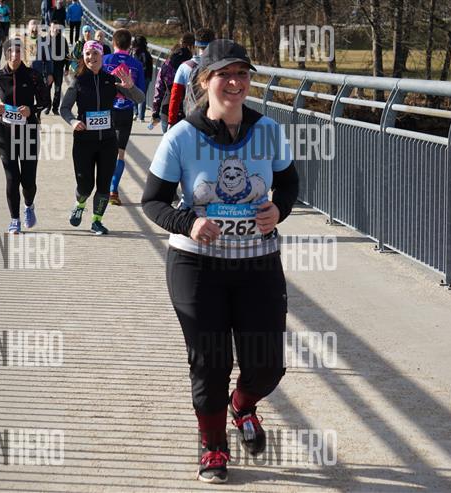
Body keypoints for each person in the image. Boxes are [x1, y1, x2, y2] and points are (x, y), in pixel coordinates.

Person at [141, 39, 299, 483]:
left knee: (267, 364)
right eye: (224, 75)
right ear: (205, 81)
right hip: (197, 265)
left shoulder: (268, 130)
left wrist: (279, 209)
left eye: (242, 74)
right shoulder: (181, 136)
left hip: (257, 262)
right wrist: (188, 221)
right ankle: (213, 446)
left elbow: (289, 184)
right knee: (210, 362)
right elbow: (152, 201)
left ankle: (242, 406)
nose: (234, 83)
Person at [60, 40, 145, 235]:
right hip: (84, 141)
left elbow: (140, 99)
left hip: (108, 141)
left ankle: (96, 221)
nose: (91, 57)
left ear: (101, 56)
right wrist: (73, 121)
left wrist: (131, 86)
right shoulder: (78, 81)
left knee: (104, 185)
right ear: (84, 57)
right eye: (88, 54)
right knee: (85, 186)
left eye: (95, 53)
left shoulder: (110, 80)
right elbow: (64, 108)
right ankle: (80, 204)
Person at [0, 38, 51, 233]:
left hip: (28, 133)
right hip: (5, 134)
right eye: (11, 52)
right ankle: (14, 219)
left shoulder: (33, 75)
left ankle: (29, 206)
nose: (14, 55)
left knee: (28, 181)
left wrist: (32, 110)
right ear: (6, 54)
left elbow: (45, 101)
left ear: (22, 54)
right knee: (12, 178)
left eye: (18, 52)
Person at [102, 28, 145, 206]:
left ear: (113, 42)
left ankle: (103, 187)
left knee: (105, 151)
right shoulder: (137, 65)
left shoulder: (105, 60)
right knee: (120, 153)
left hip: (108, 111)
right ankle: (113, 190)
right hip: (126, 111)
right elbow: (140, 94)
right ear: (130, 45)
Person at [167, 28, 214, 127]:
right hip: (213, 121)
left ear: (195, 46)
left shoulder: (184, 67)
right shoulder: (219, 68)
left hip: (191, 119)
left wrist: (171, 121)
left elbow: (175, 96)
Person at [150, 44, 191, 133]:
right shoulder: (192, 67)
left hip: (167, 109)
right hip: (188, 112)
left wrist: (155, 112)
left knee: (168, 139)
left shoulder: (166, 66)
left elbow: (159, 89)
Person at [21, 20, 54, 88]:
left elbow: (48, 59)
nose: (34, 29)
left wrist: (50, 74)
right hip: (24, 74)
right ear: (28, 28)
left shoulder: (43, 41)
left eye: (36, 28)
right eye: (32, 26)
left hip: (38, 74)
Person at [131, 36, 154, 121]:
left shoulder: (133, 52)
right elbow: (148, 66)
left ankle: (135, 113)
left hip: (135, 76)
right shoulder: (146, 53)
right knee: (142, 96)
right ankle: (141, 116)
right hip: (145, 77)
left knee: (133, 94)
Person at [49, 22, 70, 115]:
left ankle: (55, 108)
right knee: (46, 89)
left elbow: (67, 54)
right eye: (53, 27)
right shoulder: (45, 40)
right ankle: (48, 105)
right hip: (48, 69)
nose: (55, 30)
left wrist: (67, 67)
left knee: (57, 89)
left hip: (59, 68)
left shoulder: (63, 40)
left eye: (57, 28)